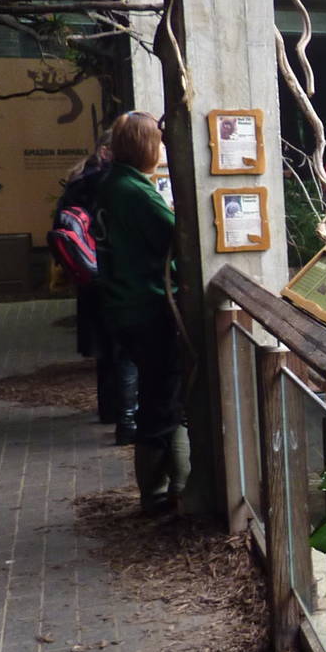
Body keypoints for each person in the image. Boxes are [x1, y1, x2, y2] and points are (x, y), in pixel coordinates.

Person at [96, 111, 189, 514]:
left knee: (161, 395)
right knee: (163, 401)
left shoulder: (113, 183)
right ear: (146, 146)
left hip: (124, 305)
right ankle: (163, 493)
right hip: (146, 306)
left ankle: (167, 488)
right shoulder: (133, 191)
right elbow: (178, 233)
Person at [57, 133, 138, 442]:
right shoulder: (104, 184)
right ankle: (126, 416)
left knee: (108, 349)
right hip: (107, 274)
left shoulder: (80, 179)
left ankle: (112, 410)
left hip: (90, 274)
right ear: (107, 151)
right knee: (122, 350)